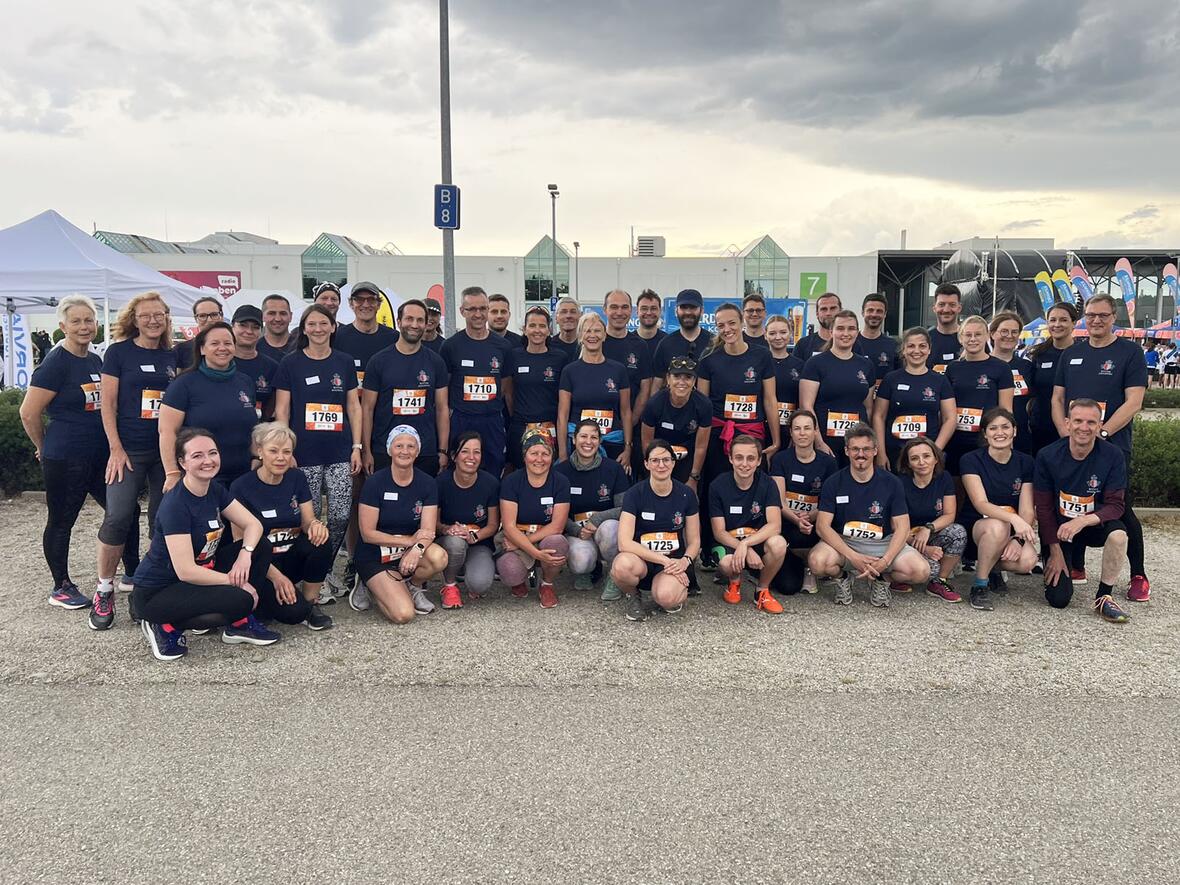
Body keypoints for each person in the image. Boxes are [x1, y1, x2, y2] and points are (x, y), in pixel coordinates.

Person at [20, 295, 136, 611]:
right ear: (62, 327)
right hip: (66, 456)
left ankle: (133, 573)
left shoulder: (95, 361)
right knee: (62, 520)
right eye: (76, 321)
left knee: (124, 512)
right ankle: (60, 585)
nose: (84, 326)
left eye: (88, 320)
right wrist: (43, 448)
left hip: (100, 455)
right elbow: (29, 413)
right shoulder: (55, 364)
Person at [131, 427, 281, 661]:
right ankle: (163, 625)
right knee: (241, 599)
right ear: (182, 462)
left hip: (200, 573)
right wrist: (236, 583)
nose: (208, 460)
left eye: (212, 453)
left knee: (259, 546)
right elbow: (186, 571)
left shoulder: (214, 490)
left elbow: (254, 525)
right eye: (197, 455)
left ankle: (239, 625)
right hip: (159, 591)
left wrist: (245, 555)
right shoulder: (176, 505)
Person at [1051, 292, 1149, 600]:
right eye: (1091, 315)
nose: (1096, 321)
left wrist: (1101, 434)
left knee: (1122, 509)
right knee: (1075, 499)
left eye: (1103, 316)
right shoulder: (1072, 354)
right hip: (1073, 443)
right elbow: (1057, 399)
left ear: (1113, 318)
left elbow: (1134, 402)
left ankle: (1138, 575)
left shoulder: (1129, 352)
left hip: (1112, 445)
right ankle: (1077, 565)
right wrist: (1066, 434)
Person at [93, 292, 173, 623]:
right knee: (118, 516)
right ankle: (104, 588)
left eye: (159, 315)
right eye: (146, 315)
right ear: (134, 319)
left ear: (167, 318)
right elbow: (107, 404)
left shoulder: (173, 355)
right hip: (128, 450)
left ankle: (147, 587)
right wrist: (114, 447)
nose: (153, 320)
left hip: (164, 452)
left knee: (161, 520)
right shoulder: (118, 353)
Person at [273, 304, 362, 601]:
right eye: (312, 324)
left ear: (333, 327)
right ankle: (310, 574)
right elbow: (283, 409)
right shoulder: (290, 363)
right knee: (308, 518)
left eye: (324, 323)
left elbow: (353, 407)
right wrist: (286, 448)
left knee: (338, 515)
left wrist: (357, 447)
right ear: (304, 328)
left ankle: (324, 566)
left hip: (338, 451)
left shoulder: (345, 362)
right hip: (304, 454)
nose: (318, 329)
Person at [696, 302, 779, 569]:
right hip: (720, 435)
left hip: (752, 433)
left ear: (741, 322)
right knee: (717, 487)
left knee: (752, 486)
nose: (727, 329)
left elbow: (769, 399)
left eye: (731, 323)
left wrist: (776, 440)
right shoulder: (709, 361)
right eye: (721, 325)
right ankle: (712, 547)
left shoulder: (761, 356)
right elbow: (703, 403)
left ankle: (753, 546)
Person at [809, 424, 930, 607]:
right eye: (855, 449)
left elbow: (903, 527)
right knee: (817, 563)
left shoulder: (892, 483)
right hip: (846, 542)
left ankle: (881, 580)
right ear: (847, 451)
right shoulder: (834, 482)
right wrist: (853, 557)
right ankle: (843, 578)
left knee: (920, 571)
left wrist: (886, 561)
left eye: (866, 449)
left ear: (875, 451)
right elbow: (822, 526)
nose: (860, 454)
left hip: (883, 544)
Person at [1034, 398, 1133, 623]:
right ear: (1067, 423)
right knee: (1058, 599)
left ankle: (1104, 596)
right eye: (1078, 421)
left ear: (1100, 426)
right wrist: (1055, 552)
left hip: (1091, 525)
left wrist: (1083, 521)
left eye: (1091, 422)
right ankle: (1062, 562)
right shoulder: (1047, 456)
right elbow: (1045, 508)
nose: (1084, 428)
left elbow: (1116, 505)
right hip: (1061, 531)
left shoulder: (1113, 455)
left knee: (1119, 535)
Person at [230, 423, 334, 631]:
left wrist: (315, 525)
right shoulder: (240, 487)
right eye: (273, 451)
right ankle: (269, 600)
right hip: (262, 565)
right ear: (260, 452)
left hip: (290, 557)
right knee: (288, 614)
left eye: (287, 452)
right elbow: (239, 544)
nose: (281, 457)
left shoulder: (297, 477)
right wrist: (277, 577)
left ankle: (310, 603)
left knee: (321, 539)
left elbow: (307, 520)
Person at [352, 425, 449, 619]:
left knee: (439, 557)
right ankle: (369, 583)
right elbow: (368, 534)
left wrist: (417, 549)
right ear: (389, 449)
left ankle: (411, 585)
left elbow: (428, 530)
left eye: (411, 446)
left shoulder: (428, 483)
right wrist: (409, 541)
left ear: (418, 450)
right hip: (376, 555)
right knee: (403, 615)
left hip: (408, 553)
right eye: (399, 446)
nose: (405, 451)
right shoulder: (375, 483)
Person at [159, 322, 259, 491]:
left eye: (228, 343)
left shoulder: (245, 382)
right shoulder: (184, 384)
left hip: (242, 476)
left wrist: (257, 456)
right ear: (202, 349)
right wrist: (172, 473)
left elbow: (252, 426)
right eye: (214, 343)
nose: (222, 348)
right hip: (203, 478)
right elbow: (167, 431)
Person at [958, 407, 1038, 611]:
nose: (999, 432)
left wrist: (1018, 540)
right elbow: (981, 504)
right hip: (978, 529)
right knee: (998, 525)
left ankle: (992, 565)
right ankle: (980, 585)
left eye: (1005, 427)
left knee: (1028, 561)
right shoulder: (970, 460)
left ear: (1015, 431)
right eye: (993, 428)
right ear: (985, 433)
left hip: (1011, 531)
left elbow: (1027, 510)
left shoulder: (1026, 462)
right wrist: (1014, 521)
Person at [611, 440, 701, 621]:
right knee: (621, 566)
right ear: (646, 464)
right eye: (655, 460)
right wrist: (662, 559)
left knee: (667, 598)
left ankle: (670, 591)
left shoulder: (686, 494)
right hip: (642, 561)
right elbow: (624, 542)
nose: (661, 465)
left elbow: (695, 541)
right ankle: (633, 595)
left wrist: (685, 561)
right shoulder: (634, 493)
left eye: (666, 460)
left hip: (673, 563)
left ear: (674, 463)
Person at [362, 298, 450, 476]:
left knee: (423, 503)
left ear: (426, 324)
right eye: (409, 319)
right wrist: (366, 451)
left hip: (425, 450)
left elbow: (442, 409)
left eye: (419, 320)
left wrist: (442, 450)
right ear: (399, 322)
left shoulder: (435, 362)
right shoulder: (378, 361)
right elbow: (367, 409)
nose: (414, 325)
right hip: (385, 449)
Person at [440, 286, 515, 478]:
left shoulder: (503, 347)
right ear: (462, 311)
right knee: (459, 472)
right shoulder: (450, 346)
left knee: (493, 471)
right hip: (461, 419)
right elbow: (444, 389)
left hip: (492, 420)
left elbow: (506, 388)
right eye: (472, 309)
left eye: (483, 308)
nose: (478, 314)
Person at [708, 435, 786, 613]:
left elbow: (775, 525)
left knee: (778, 543)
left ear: (759, 461)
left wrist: (747, 544)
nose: (744, 464)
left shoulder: (768, 484)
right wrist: (743, 548)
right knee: (727, 563)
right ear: (730, 458)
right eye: (739, 457)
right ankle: (734, 582)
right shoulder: (717, 486)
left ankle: (762, 590)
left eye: (751, 458)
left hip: (753, 541)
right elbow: (719, 532)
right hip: (728, 543)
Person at [497, 430, 571, 607]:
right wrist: (534, 552)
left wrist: (526, 543)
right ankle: (519, 580)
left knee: (557, 541)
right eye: (534, 453)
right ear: (524, 456)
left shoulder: (560, 481)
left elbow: (557, 526)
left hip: (543, 536)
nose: (539, 459)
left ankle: (547, 585)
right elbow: (509, 526)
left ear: (552, 457)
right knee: (510, 570)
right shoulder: (511, 481)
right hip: (516, 535)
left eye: (545, 454)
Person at [768, 409, 838, 595]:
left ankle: (810, 568)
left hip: (815, 520)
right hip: (788, 519)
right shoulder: (780, 459)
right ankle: (784, 563)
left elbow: (829, 502)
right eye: (797, 428)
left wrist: (810, 517)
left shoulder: (829, 463)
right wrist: (796, 519)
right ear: (790, 432)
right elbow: (778, 501)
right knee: (788, 587)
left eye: (807, 428)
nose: (802, 433)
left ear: (816, 431)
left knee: (826, 525)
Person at [556, 419, 628, 596]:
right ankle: (587, 570)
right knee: (581, 561)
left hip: (605, 528)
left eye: (594, 437)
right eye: (583, 436)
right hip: (578, 532)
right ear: (574, 439)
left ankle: (614, 574)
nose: (588, 442)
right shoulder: (560, 472)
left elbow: (625, 509)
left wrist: (598, 519)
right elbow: (555, 514)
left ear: (600, 441)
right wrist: (574, 529)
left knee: (612, 529)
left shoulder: (613, 469)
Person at [798, 310, 874, 467]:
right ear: (831, 331)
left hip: (856, 446)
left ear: (857, 332)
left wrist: (866, 444)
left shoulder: (866, 365)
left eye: (851, 328)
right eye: (840, 328)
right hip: (826, 442)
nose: (845, 333)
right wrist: (818, 441)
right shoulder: (816, 363)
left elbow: (868, 408)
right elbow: (806, 406)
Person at [872, 327, 956, 469]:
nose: (916, 351)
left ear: (929, 350)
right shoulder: (891, 379)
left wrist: (935, 450)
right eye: (911, 346)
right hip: (895, 453)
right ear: (903, 350)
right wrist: (881, 453)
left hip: (927, 456)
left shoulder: (940, 380)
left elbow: (950, 418)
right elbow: (878, 416)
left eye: (922, 346)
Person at [435, 432, 500, 608]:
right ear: (454, 456)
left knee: (480, 584)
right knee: (456, 543)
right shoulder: (441, 483)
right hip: (448, 541)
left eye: (477, 452)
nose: (471, 457)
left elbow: (493, 524)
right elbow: (433, 522)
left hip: (478, 542)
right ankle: (449, 586)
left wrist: (475, 536)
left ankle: (463, 569)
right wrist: (447, 529)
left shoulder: (490, 483)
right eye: (465, 451)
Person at [894, 438, 964, 602]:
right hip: (903, 538)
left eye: (926, 456)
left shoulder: (944, 478)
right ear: (908, 463)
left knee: (958, 532)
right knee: (929, 569)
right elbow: (893, 525)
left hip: (929, 534)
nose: (921, 462)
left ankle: (939, 582)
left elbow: (949, 515)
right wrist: (923, 548)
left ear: (936, 458)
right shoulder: (899, 483)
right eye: (914, 458)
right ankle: (892, 578)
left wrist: (928, 528)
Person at [556, 312, 632, 463]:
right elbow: (562, 416)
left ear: (604, 336)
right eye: (588, 331)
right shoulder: (570, 371)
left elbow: (625, 411)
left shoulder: (618, 369)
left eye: (597, 330)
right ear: (580, 336)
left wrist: (628, 449)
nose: (593, 335)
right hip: (579, 444)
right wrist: (563, 453)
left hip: (612, 442)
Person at [943, 315, 1014, 475]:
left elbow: (1006, 409)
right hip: (956, 438)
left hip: (986, 439)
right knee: (957, 485)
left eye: (978, 334)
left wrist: (1007, 439)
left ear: (987, 336)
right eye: (968, 335)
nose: (973, 339)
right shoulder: (953, 368)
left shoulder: (1001, 368)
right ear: (961, 338)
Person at [506, 306, 568, 470]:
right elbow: (509, 393)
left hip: (550, 428)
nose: (537, 330)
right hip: (521, 427)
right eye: (532, 325)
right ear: (524, 330)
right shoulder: (514, 356)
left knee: (548, 473)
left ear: (549, 330)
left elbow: (564, 398)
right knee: (522, 474)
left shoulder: (560, 358)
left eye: (542, 326)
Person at [602, 289, 655, 473]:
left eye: (624, 307)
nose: (619, 312)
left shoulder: (639, 345)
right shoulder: (594, 342)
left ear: (631, 311)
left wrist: (628, 424)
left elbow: (645, 389)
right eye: (614, 307)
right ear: (605, 309)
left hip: (630, 428)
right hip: (595, 430)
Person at [640, 357, 712, 487]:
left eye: (688, 377)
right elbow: (647, 442)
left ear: (694, 381)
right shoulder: (654, 404)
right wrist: (654, 471)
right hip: (659, 458)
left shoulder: (704, 405)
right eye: (677, 376)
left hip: (689, 460)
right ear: (668, 379)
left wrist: (693, 478)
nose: (682, 382)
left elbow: (701, 446)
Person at [1027, 302, 1079, 453]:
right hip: (1041, 426)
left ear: (1073, 323)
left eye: (1063, 320)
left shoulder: (1083, 353)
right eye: (1052, 320)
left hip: (1074, 428)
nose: (1057, 324)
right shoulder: (1039, 354)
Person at [335, 281, 399, 387]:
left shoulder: (394, 338)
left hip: (383, 402)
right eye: (359, 299)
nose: (365, 304)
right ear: (351, 304)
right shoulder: (338, 337)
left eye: (371, 299)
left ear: (378, 304)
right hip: (350, 402)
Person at [989, 311, 1035, 454]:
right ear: (992, 334)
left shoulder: (1027, 367)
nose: (1009, 336)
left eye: (1014, 332)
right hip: (989, 433)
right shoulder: (982, 365)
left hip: (1020, 434)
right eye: (1004, 331)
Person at [651, 289, 713, 392]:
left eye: (693, 307)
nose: (688, 312)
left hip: (706, 406)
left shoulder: (714, 343)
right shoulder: (665, 344)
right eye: (683, 308)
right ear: (676, 311)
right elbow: (657, 384)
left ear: (702, 311)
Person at [230, 304, 278, 418]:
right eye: (243, 325)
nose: (249, 331)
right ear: (232, 326)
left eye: (255, 327)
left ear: (262, 330)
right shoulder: (220, 363)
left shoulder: (272, 367)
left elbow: (274, 406)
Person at [766, 315, 805, 441]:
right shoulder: (759, 363)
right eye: (772, 333)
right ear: (765, 335)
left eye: (783, 332)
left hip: (790, 429)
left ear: (790, 334)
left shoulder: (801, 365)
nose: (778, 337)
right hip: (762, 428)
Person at [853, 292, 898, 385]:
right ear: (862, 312)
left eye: (879, 311)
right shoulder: (851, 342)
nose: (874, 314)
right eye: (870, 310)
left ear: (885, 314)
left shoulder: (893, 345)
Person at [175, 295, 225, 370]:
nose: (209, 320)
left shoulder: (232, 348)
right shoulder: (182, 350)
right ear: (196, 319)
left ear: (221, 316)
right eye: (202, 316)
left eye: (214, 315)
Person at [792, 292, 842, 363]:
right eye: (824, 309)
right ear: (817, 314)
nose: (828, 313)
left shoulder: (851, 343)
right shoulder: (803, 345)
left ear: (841, 311)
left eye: (833, 308)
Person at [927, 283, 963, 373]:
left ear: (959, 308)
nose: (946, 310)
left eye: (952, 305)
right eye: (941, 304)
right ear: (934, 308)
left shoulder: (971, 339)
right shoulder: (924, 340)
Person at [257, 293, 297, 364]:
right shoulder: (255, 349)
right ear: (262, 316)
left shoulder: (302, 347)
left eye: (283, 313)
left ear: (290, 316)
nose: (278, 319)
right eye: (272, 313)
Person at [549, 296, 582, 361]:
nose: (568, 316)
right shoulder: (549, 346)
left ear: (580, 316)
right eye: (563, 312)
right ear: (556, 318)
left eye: (573, 312)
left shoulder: (586, 345)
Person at [636, 289, 667, 355]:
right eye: (644, 308)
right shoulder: (628, 342)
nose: (649, 313)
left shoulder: (668, 342)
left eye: (653, 308)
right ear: (637, 311)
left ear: (660, 311)